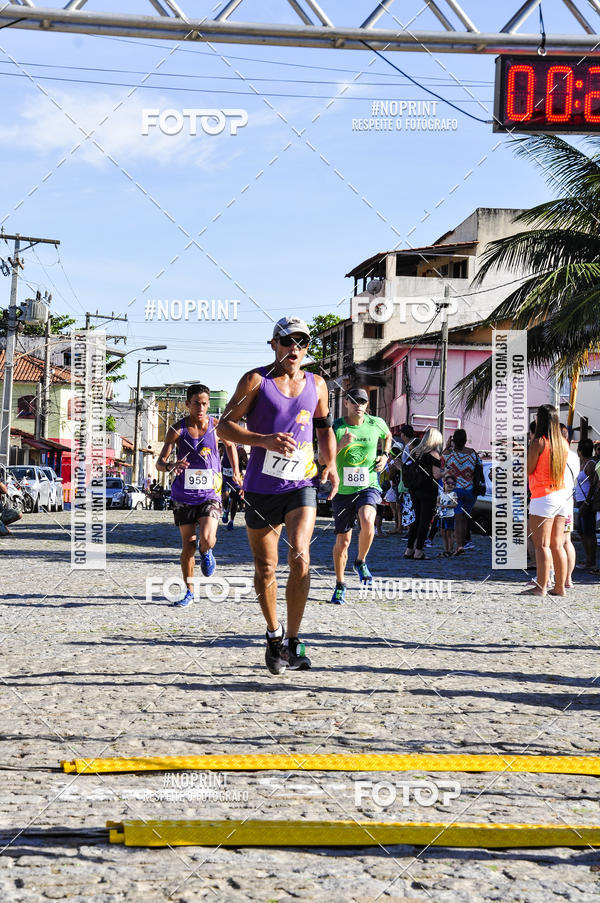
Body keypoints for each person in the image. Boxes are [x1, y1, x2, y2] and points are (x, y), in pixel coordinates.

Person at [216, 316, 338, 674]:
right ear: (274, 345)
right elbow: (224, 426)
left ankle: (294, 638)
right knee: (265, 567)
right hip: (259, 488)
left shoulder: (317, 384)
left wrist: (329, 464)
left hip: (301, 484)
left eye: (301, 343)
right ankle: (273, 635)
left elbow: (324, 428)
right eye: (287, 342)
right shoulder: (256, 380)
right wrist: (263, 440)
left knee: (300, 554)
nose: (294, 349)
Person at [156, 383, 239, 608]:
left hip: (210, 493)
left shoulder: (216, 426)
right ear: (187, 404)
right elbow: (159, 464)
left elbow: (231, 447)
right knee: (188, 546)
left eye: (204, 403)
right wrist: (172, 465)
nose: (201, 408)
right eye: (196, 404)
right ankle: (189, 591)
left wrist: (237, 473)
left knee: (207, 538)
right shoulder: (177, 430)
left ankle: (208, 551)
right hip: (183, 495)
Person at [329, 388, 392, 604]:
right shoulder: (336, 426)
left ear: (367, 405)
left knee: (367, 521)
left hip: (368, 484)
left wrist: (385, 456)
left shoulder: (376, 423)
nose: (359, 405)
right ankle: (340, 584)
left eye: (362, 402)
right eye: (354, 401)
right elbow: (324, 458)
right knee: (343, 541)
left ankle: (361, 560)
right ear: (346, 403)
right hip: (343, 490)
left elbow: (388, 436)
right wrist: (341, 445)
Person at [523, 404, 569, 596]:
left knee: (541, 544)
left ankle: (541, 586)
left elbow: (529, 469)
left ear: (539, 420)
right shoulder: (563, 443)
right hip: (561, 495)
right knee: (557, 545)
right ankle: (559, 587)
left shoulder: (539, 443)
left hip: (543, 496)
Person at [402, 427, 442, 560]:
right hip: (428, 490)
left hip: (415, 489)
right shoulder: (434, 454)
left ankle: (409, 549)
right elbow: (436, 475)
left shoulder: (415, 451)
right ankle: (419, 551)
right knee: (425, 521)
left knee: (416, 519)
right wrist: (446, 472)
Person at [442, 428, 480, 557]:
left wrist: (447, 446)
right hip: (470, 491)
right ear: (465, 440)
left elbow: (441, 463)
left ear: (454, 440)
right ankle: (462, 544)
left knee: (458, 520)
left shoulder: (449, 454)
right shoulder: (473, 453)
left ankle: (459, 546)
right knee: (465, 519)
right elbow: (478, 466)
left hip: (455, 490)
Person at [573, 437, 598, 571]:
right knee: (582, 532)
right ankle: (588, 559)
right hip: (580, 500)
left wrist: (587, 502)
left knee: (589, 532)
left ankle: (591, 561)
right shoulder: (582, 463)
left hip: (586, 502)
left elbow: (593, 485)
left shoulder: (590, 464)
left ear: (580, 451)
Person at [220, 442, 245, 531]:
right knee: (225, 497)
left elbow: (247, 463)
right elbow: (216, 457)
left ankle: (231, 521)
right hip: (225, 477)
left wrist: (241, 469)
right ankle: (226, 510)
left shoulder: (241, 450)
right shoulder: (223, 448)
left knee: (234, 500)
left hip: (236, 479)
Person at [437, 474, 458, 557]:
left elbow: (455, 504)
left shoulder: (453, 494)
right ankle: (445, 550)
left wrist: (446, 506)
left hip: (450, 517)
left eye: (453, 484)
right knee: (443, 534)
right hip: (442, 516)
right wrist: (439, 505)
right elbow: (437, 502)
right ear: (444, 483)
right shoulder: (441, 494)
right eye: (448, 483)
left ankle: (450, 550)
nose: (450, 485)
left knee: (449, 534)